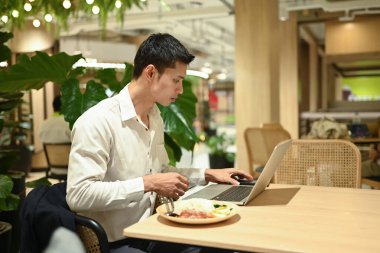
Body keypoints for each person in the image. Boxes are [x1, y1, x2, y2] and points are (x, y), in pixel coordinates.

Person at [66, 33, 252, 253]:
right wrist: (147, 183)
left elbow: (163, 172)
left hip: (152, 229)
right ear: (151, 73)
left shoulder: (154, 116)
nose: (180, 90)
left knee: (220, 246)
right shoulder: (97, 122)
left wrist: (209, 175)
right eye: (176, 80)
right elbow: (79, 195)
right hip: (116, 242)